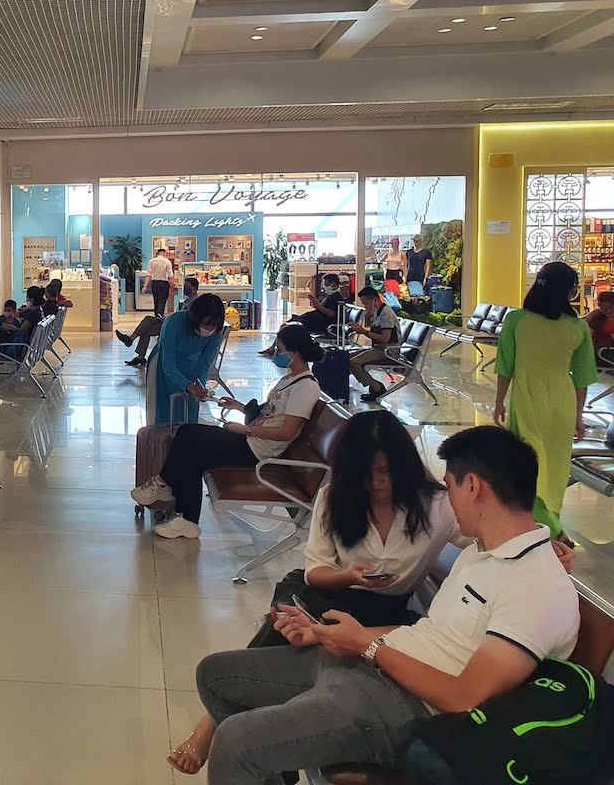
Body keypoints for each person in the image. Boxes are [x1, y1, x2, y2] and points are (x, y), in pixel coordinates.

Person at [169, 410, 579, 775]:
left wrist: (369, 647)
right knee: (214, 673)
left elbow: (463, 697)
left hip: (403, 703)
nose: (445, 495)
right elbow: (427, 632)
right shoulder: (482, 553)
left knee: (237, 742)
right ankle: (275, 765)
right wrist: (334, 636)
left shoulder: (537, 587)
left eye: (450, 485)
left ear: (472, 487)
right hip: (373, 656)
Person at [135, 323, 320, 539]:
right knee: (190, 443)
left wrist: (245, 430)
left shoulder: (305, 387)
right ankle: (183, 515)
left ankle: (166, 488)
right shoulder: (290, 379)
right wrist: (239, 406)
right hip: (253, 441)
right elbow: (270, 413)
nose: (275, 353)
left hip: (258, 451)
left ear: (294, 353)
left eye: (279, 350)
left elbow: (287, 432)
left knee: (189, 437)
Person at [494, 261, 597, 537]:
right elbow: (583, 377)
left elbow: (505, 366)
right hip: (562, 405)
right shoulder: (577, 328)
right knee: (556, 468)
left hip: (528, 402)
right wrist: (577, 415)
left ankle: (548, 529)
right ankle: (550, 525)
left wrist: (498, 402)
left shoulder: (517, 320)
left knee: (529, 465)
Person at [144, 293, 225, 426]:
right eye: (206, 323)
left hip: (190, 365)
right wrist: (188, 385)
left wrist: (200, 385)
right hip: (162, 365)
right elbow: (168, 365)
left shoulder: (216, 332)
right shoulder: (173, 323)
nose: (210, 328)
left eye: (214, 325)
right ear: (196, 318)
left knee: (189, 411)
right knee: (163, 410)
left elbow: (205, 362)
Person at [258, 274, 346, 356]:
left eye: (327, 285)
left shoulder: (336, 298)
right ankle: (275, 348)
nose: (325, 287)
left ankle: (277, 349)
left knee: (286, 327)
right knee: (286, 325)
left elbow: (331, 313)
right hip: (314, 320)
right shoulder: (330, 296)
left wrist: (318, 305)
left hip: (321, 324)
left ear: (334, 285)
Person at [347, 285, 400, 401]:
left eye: (366, 303)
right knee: (349, 357)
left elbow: (385, 339)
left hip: (388, 351)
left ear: (374, 300)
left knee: (354, 362)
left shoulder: (386, 314)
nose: (365, 307)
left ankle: (377, 387)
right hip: (379, 348)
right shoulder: (378, 312)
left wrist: (364, 332)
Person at [583, 289, 614, 366]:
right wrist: (591, 315)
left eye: (610, 308)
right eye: (603, 309)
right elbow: (582, 326)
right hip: (599, 354)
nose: (608, 311)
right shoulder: (597, 317)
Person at [143, 247, 174, 317]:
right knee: (162, 300)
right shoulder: (167, 262)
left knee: (156, 300)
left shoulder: (151, 261)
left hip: (155, 283)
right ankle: (160, 315)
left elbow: (149, 274)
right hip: (164, 283)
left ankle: (156, 316)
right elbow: (170, 275)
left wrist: (145, 285)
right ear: (164, 253)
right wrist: (172, 286)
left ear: (157, 253)